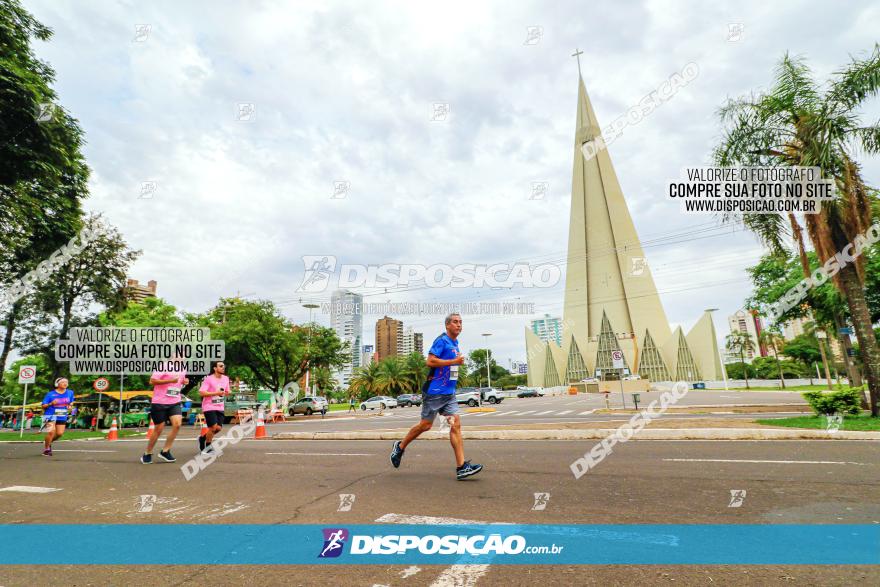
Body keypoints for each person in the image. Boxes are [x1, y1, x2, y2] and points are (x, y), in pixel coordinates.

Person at [390, 313, 483, 480]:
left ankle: (461, 467)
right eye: (455, 322)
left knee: (456, 425)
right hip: (434, 393)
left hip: (449, 394)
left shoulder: (455, 342)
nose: (459, 325)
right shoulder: (441, 340)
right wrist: (454, 362)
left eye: (461, 322)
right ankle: (400, 446)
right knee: (425, 426)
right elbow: (430, 361)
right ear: (447, 325)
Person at [141, 361, 189, 464]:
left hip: (175, 401)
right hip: (160, 402)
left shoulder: (183, 368)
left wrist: (184, 382)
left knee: (177, 424)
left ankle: (165, 451)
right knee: (159, 429)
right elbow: (152, 381)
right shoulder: (164, 365)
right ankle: (147, 453)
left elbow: (178, 383)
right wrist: (170, 380)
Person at [198, 361, 229, 453]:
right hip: (209, 406)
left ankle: (202, 438)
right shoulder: (209, 379)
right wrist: (216, 393)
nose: (223, 367)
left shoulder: (226, 378)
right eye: (220, 366)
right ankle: (208, 446)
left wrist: (227, 393)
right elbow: (202, 392)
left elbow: (227, 391)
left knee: (218, 428)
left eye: (224, 366)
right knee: (213, 427)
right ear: (215, 368)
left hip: (220, 406)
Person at [41, 378, 75, 456]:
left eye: (66, 382)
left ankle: (48, 442)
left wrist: (70, 405)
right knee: (51, 432)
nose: (65, 383)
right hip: (50, 414)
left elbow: (71, 401)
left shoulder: (70, 392)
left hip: (62, 414)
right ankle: (47, 449)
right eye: (63, 382)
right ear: (57, 384)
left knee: (59, 433)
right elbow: (43, 406)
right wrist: (51, 403)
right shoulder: (50, 394)